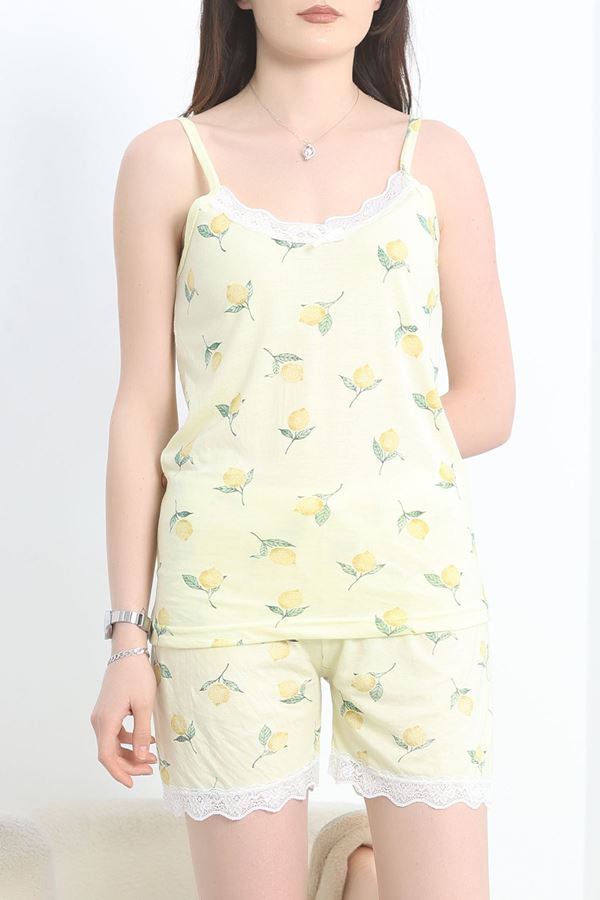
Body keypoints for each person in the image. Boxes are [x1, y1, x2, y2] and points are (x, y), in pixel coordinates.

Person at [90, 1, 515, 898]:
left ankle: (353, 875)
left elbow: (490, 401)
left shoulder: (435, 159)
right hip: (223, 597)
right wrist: (128, 638)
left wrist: (338, 460)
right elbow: (142, 409)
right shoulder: (168, 161)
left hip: (413, 586)